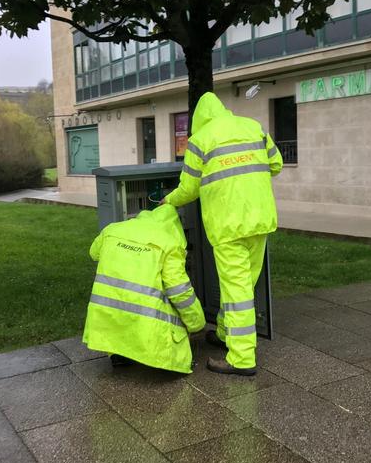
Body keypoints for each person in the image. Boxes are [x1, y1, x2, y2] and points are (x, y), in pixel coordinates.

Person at [163, 91, 283, 376]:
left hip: (228, 226)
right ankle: (226, 333)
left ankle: (241, 359)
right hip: (260, 220)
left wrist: (170, 200)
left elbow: (189, 189)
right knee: (242, 286)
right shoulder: (253, 127)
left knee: (237, 290)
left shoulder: (200, 141)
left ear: (199, 120)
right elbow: (276, 165)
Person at [82, 204, 205, 373]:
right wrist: (197, 322)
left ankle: (119, 353)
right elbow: (179, 291)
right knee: (165, 309)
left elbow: (94, 253)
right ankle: (162, 359)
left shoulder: (112, 229)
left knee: (118, 313)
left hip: (108, 310)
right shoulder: (170, 243)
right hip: (146, 319)